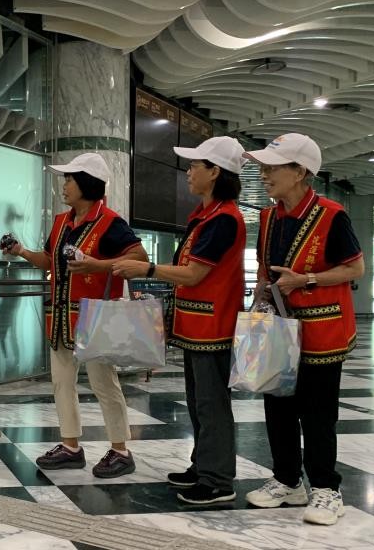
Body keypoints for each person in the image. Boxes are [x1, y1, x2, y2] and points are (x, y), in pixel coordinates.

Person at [113, 137, 247, 503]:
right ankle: (203, 465)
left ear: (215, 171)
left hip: (213, 328)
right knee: (197, 401)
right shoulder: (204, 217)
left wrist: (147, 268)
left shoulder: (224, 220)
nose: (188, 172)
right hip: (195, 326)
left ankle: (218, 479)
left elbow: (193, 275)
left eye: (194, 165)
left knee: (211, 404)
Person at [241, 133, 364, 525]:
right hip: (277, 328)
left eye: (272, 167)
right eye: (263, 167)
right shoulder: (267, 217)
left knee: (317, 413)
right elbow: (265, 269)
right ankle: (287, 480)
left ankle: (327, 490)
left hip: (322, 331)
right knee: (277, 406)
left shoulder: (331, 214)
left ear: (300, 172)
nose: (263, 174)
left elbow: (355, 269)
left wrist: (306, 279)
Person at [2, 153, 147, 478]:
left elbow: (139, 257)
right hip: (61, 319)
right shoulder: (61, 222)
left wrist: (96, 265)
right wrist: (21, 251)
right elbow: (50, 261)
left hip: (96, 320)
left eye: (69, 179)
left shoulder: (111, 222)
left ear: (86, 183)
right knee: (61, 383)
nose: (63, 185)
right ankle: (71, 446)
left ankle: (121, 450)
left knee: (103, 383)